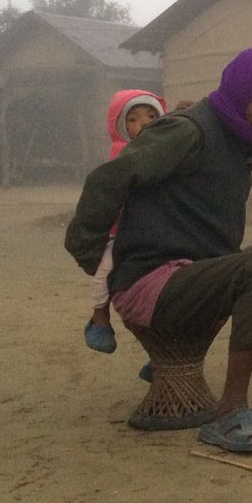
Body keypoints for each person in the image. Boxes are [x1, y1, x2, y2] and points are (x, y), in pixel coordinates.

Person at [65, 48, 252, 454]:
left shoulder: (239, 138)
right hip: (150, 280)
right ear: (241, 86)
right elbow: (108, 180)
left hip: (198, 270)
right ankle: (230, 412)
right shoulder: (190, 130)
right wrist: (94, 258)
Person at [82, 89, 167, 356]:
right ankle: (100, 317)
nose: (144, 123)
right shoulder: (122, 152)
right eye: (133, 119)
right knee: (104, 270)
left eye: (152, 116)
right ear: (121, 126)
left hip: (156, 232)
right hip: (122, 233)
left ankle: (162, 350)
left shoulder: (167, 149)